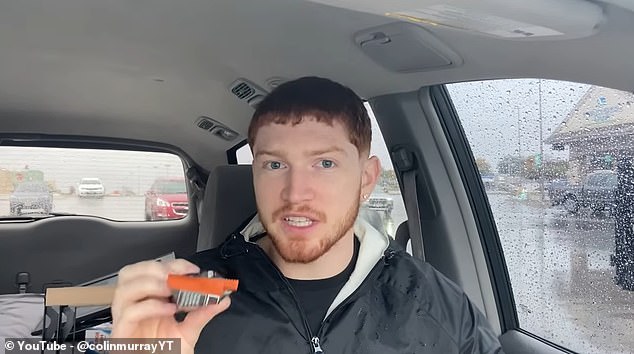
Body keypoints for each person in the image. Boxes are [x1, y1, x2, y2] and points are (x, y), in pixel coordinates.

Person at [111, 77, 504, 353]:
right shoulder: (186, 295)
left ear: (366, 179)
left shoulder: (438, 307)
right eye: (274, 165)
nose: (295, 193)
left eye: (325, 164)